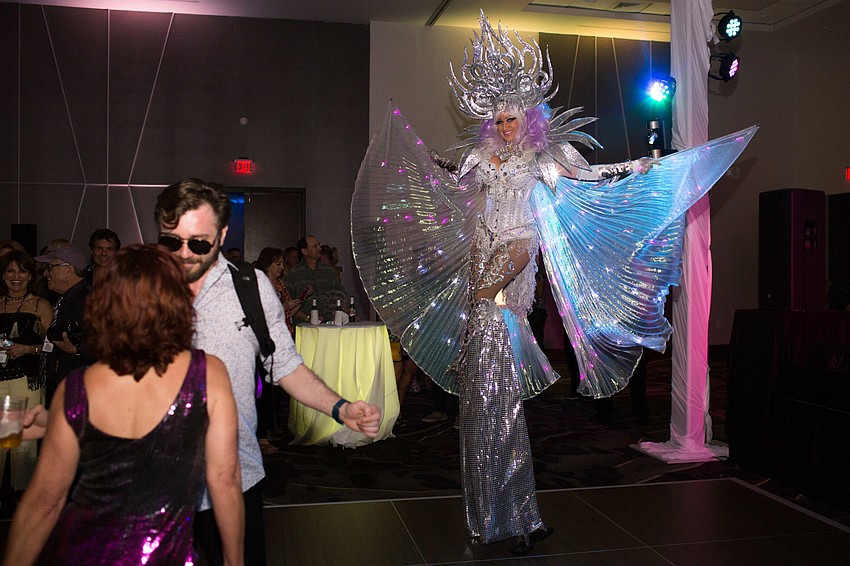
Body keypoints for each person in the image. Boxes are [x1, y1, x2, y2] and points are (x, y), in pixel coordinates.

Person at [351, 11, 755, 555]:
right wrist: (414, 158)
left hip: (517, 254)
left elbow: (591, 176)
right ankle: (499, 518)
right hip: (481, 256)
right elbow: (447, 172)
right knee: (491, 402)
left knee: (500, 394)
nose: (504, 126)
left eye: (512, 118)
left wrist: (640, 167)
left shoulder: (546, 159)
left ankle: (509, 516)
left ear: (530, 118)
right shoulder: (479, 157)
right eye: (497, 118)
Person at [154, 178, 381, 566]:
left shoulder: (249, 287)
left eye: (200, 243)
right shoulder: (144, 286)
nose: (185, 254)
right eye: (172, 242)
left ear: (223, 234)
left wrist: (340, 408)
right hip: (160, 481)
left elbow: (285, 366)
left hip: (236, 476)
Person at [3, 244, 244, 565]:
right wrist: (234, 559)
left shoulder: (78, 388)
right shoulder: (208, 374)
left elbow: (43, 504)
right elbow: (225, 479)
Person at [0, 250, 53, 499]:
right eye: (10, 270)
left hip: (26, 381)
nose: (16, 276)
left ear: (31, 276)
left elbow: (52, 346)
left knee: (24, 439)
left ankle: (22, 496)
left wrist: (27, 349)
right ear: (3, 275)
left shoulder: (40, 305)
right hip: (0, 383)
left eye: (22, 271)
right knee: (3, 438)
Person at [33, 247, 92, 408]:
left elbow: (111, 341)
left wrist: (79, 349)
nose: (45, 273)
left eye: (50, 267)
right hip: (64, 385)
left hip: (76, 389)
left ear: (68, 270)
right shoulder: (66, 299)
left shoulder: (89, 301)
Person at [286, 235, 347, 323]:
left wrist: (344, 311)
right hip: (305, 326)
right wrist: (308, 318)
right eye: (315, 246)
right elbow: (289, 304)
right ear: (304, 251)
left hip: (329, 323)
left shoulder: (328, 271)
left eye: (319, 245)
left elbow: (340, 294)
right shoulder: (292, 274)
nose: (319, 248)